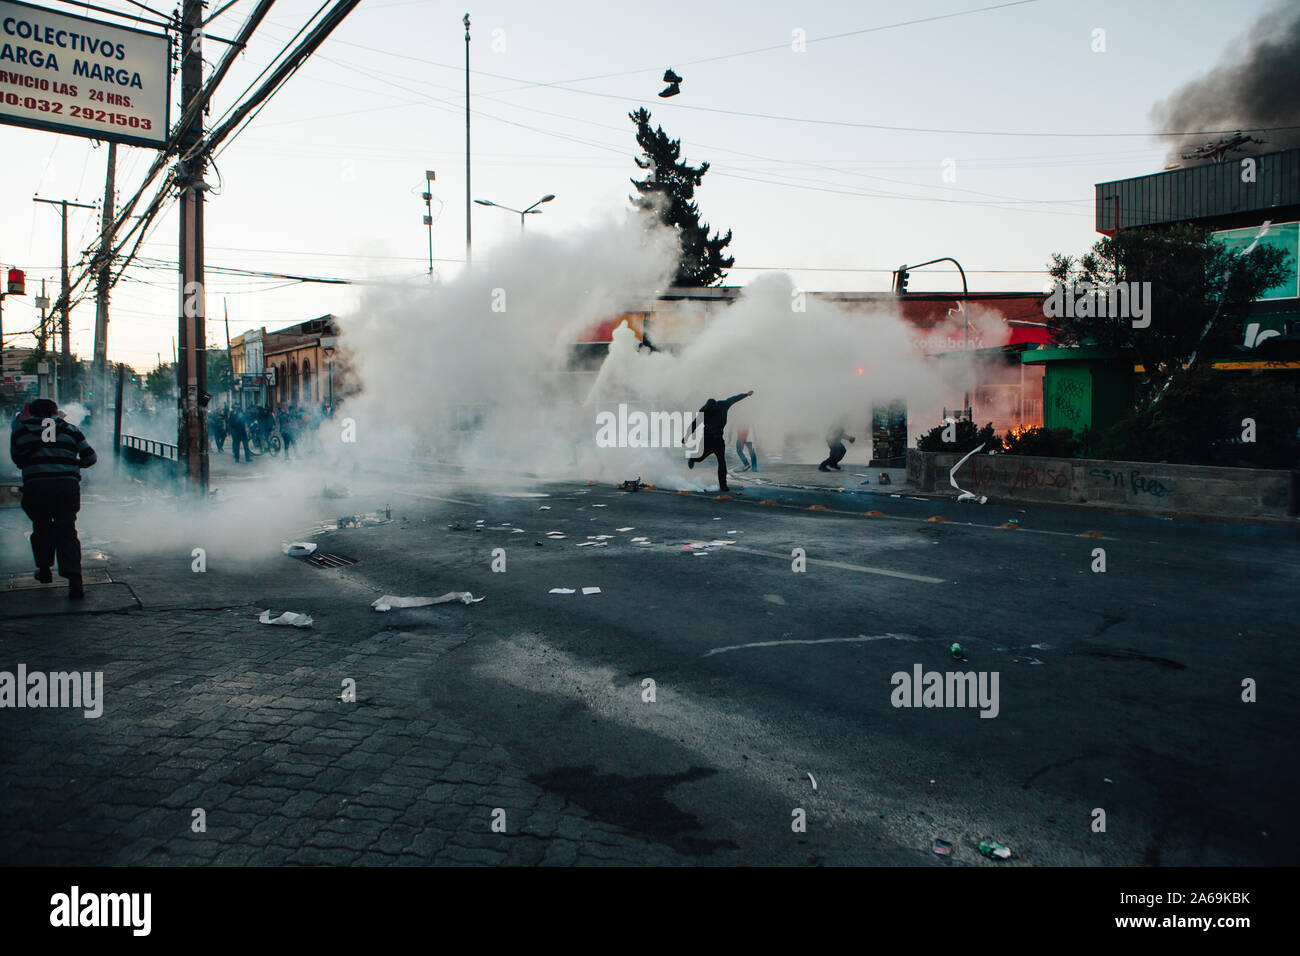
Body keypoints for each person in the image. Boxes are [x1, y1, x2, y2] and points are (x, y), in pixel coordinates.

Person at [9, 398, 97, 599]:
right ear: (56, 412)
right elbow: (90, 457)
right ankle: (75, 577)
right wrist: (73, 464)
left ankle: (44, 569)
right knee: (67, 529)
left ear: (32, 413)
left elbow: (17, 459)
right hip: (66, 487)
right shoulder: (71, 429)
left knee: (41, 526)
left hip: (36, 486)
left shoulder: (21, 429)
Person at [683, 390, 753, 493]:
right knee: (699, 458)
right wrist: (686, 436)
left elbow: (734, 399)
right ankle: (692, 459)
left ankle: (723, 485)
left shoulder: (723, 405)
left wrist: (746, 395)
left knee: (722, 462)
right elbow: (694, 424)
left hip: (718, 440)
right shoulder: (703, 411)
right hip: (707, 440)